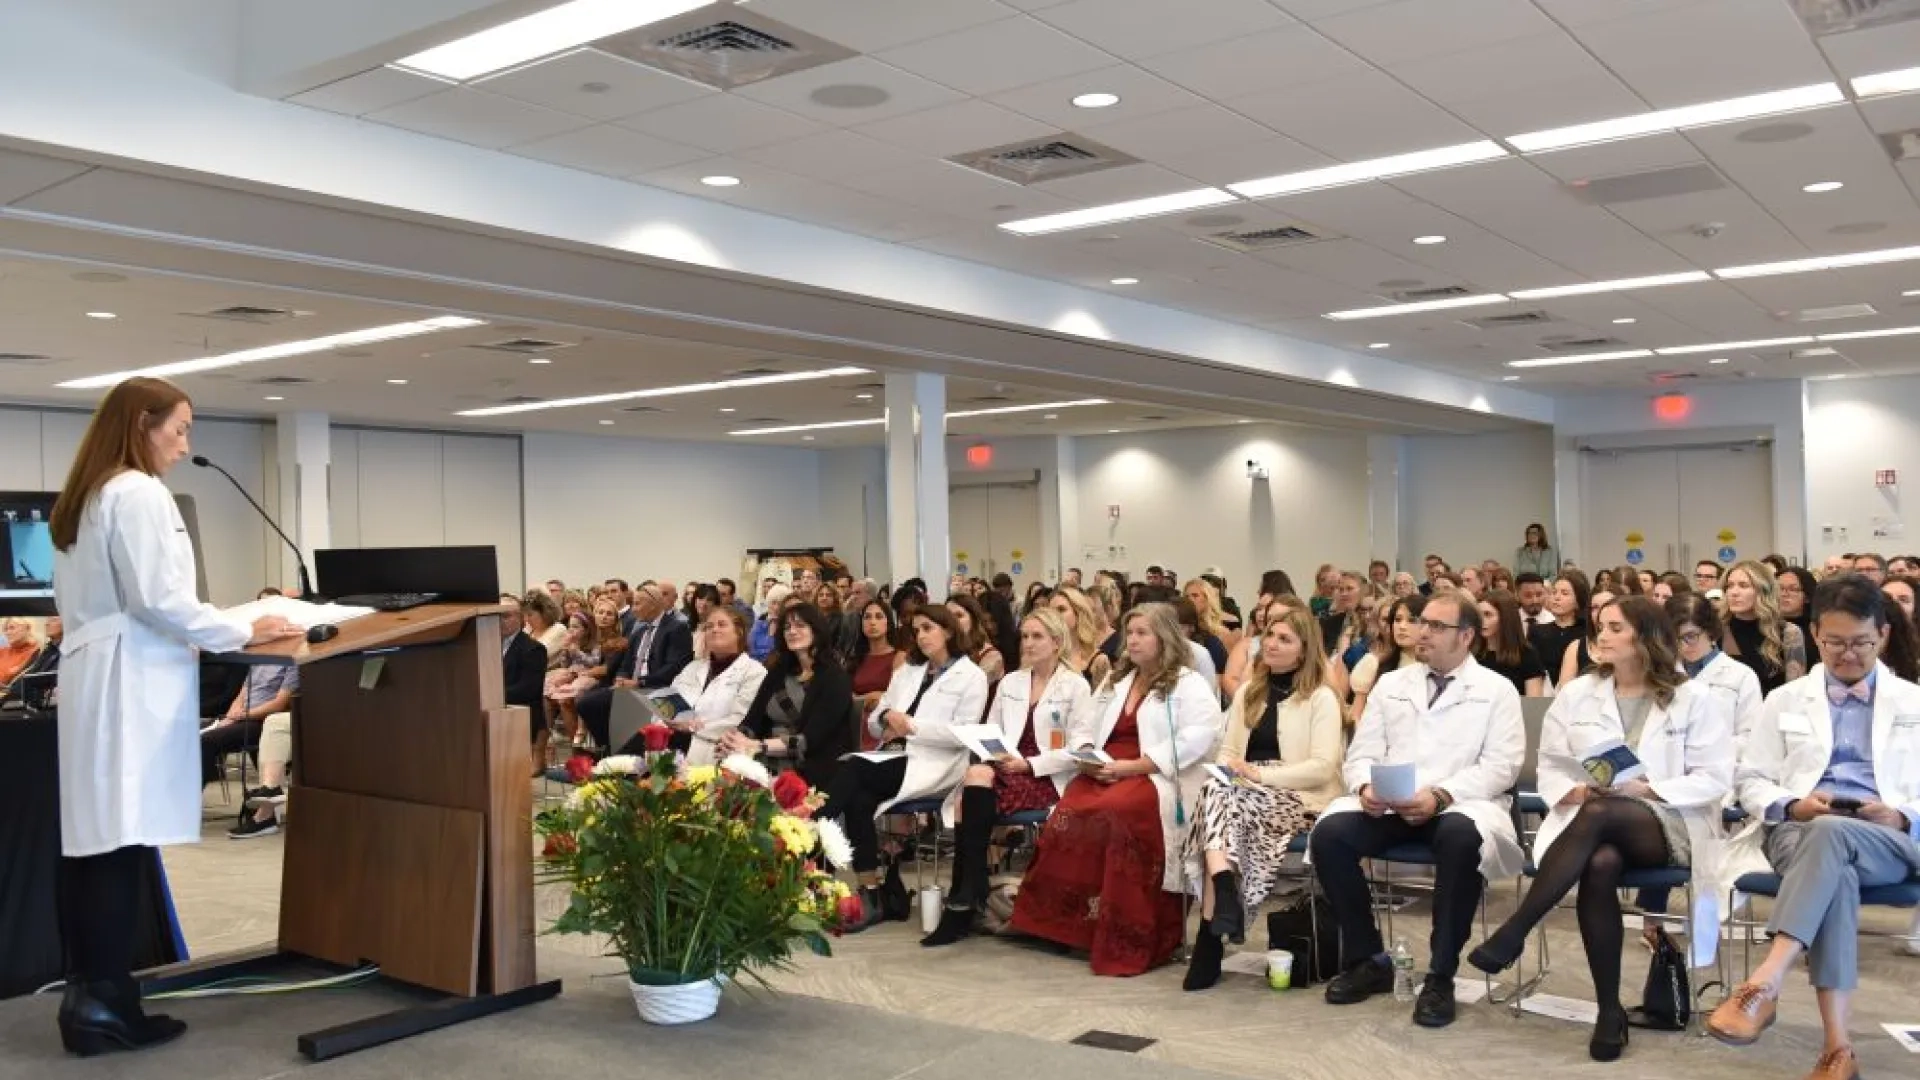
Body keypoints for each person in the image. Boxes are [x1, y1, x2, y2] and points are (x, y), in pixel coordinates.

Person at [49, 377, 302, 1056]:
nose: (186, 443)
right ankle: (104, 1002)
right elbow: (161, 598)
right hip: (129, 677)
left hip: (97, 676)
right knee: (120, 845)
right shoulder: (134, 491)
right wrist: (239, 630)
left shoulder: (87, 496)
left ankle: (94, 996)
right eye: (180, 427)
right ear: (141, 423)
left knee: (96, 844)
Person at [1469, 597, 1733, 1061]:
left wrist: (1649, 790)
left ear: (1645, 637)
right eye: (1600, 627)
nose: (1602, 637)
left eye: (1615, 628)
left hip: (1671, 822)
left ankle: (1518, 927)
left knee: (1603, 814)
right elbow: (1551, 763)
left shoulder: (1695, 697)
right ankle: (1610, 1011)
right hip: (1591, 823)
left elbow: (1714, 777)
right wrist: (1569, 790)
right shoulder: (1578, 693)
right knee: (1600, 862)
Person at [1708, 576, 1920, 1080]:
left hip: (1890, 837)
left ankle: (1765, 980)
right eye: (1834, 643)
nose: (1848, 655)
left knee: (1834, 840)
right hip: (1799, 830)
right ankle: (1837, 1049)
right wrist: (1792, 804)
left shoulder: (1915, 701)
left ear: (1884, 635)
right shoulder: (1785, 699)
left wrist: (1902, 815)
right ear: (1816, 634)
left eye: (1861, 643)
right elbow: (1752, 779)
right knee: (1832, 860)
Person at [1310, 594, 1524, 1029]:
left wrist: (1442, 795)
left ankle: (1440, 976)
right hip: (1391, 806)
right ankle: (1368, 958)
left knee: (1461, 840)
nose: (1422, 632)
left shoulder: (1496, 690)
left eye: (1436, 626)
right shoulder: (1393, 684)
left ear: (1466, 636)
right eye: (1421, 623)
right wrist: (1366, 786)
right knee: (1330, 834)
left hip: (1458, 806)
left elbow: (1503, 765)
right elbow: (1362, 751)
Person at [1010, 604, 1222, 976]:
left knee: (1120, 813)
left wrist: (1135, 766)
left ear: (1165, 638)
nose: (1133, 640)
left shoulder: (1188, 684)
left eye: (1143, 633)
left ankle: (1125, 936)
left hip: (1155, 774)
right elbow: (1085, 728)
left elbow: (1198, 737)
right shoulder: (1116, 681)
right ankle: (1064, 927)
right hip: (1107, 767)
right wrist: (1089, 757)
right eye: (1131, 632)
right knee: (1069, 812)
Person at [1182, 607, 1345, 991]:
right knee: (1214, 790)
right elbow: (1227, 752)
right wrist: (1230, 772)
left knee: (1213, 806)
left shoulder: (1322, 697)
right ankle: (1222, 889)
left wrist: (1261, 776)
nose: (1271, 643)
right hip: (1241, 792)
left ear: (1305, 650)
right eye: (1269, 635)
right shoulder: (1248, 691)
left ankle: (1212, 928)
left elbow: (1323, 767)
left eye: (1284, 639)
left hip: (1299, 797)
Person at [921, 609, 1090, 947]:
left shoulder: (1075, 686)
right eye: (1024, 636)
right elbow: (992, 730)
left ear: (1057, 642)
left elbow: (1080, 748)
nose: (1027, 643)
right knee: (976, 773)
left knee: (968, 801)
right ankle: (969, 892)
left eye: (1037, 636)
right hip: (1004, 767)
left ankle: (962, 900)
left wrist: (1029, 765)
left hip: (1045, 774)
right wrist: (996, 755)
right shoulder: (1011, 682)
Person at [828, 605, 988, 931]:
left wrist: (911, 726)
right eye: (916, 630)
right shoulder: (910, 670)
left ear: (947, 630)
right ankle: (870, 892)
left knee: (854, 770)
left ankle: (806, 830)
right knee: (858, 797)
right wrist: (888, 718)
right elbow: (876, 718)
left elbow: (963, 733)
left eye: (928, 628)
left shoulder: (972, 676)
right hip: (893, 756)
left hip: (936, 764)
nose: (921, 636)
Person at [723, 602, 851, 788]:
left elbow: (810, 740)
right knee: (726, 767)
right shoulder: (778, 671)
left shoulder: (835, 677)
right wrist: (736, 740)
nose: (792, 631)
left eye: (800, 625)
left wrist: (758, 746)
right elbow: (754, 719)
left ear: (817, 630)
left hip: (812, 763)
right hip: (768, 754)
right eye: (787, 627)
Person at [578, 582, 692, 750]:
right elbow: (626, 663)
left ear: (653, 605)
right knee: (587, 703)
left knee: (625, 705)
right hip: (632, 686)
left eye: (638, 603)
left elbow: (673, 667)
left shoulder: (676, 628)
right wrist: (621, 678)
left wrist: (641, 682)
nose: (633, 609)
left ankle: (623, 752)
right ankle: (609, 749)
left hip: (658, 688)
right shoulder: (639, 631)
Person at [655, 605, 767, 764]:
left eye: (722, 624)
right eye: (709, 626)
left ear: (739, 632)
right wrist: (668, 719)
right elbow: (666, 701)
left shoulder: (754, 672)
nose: (714, 630)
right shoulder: (693, 667)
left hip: (715, 753)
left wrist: (692, 727)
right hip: (672, 745)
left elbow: (739, 719)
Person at [1669, 593, 1764, 745]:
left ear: (1711, 632)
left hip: (1723, 764)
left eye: (1691, 636)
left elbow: (1750, 736)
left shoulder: (1741, 676)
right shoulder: (1663, 674)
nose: (1683, 646)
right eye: (1675, 638)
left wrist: (1708, 750)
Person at [199, 654, 300, 793]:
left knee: (206, 741)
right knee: (187, 735)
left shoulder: (292, 664)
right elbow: (241, 695)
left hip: (262, 720)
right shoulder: (259, 662)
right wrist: (231, 716)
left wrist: (243, 715)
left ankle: (188, 801)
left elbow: (279, 704)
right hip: (240, 717)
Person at [1721, 560, 1807, 696]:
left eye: (1743, 586)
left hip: (1773, 712)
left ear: (1763, 590)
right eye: (1730, 586)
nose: (1734, 592)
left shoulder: (1788, 632)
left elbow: (1796, 691)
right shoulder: (1717, 630)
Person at [1347, 595, 1422, 722]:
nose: (1402, 626)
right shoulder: (1373, 664)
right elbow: (1357, 716)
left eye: (1412, 620)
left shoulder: (1438, 667)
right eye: (1397, 620)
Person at [498, 595, 549, 775]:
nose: (500, 621)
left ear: (521, 618)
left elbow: (528, 689)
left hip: (520, 712)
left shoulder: (533, 649)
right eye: (496, 616)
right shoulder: (487, 645)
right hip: (496, 708)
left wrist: (490, 695)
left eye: (506, 616)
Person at [846, 599, 906, 751]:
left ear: (888, 623)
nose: (872, 622)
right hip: (855, 726)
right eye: (867, 617)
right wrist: (871, 697)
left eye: (879, 617)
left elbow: (892, 699)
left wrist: (859, 699)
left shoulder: (899, 657)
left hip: (885, 727)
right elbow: (845, 697)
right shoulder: (855, 658)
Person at [1474, 590, 1547, 696]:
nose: (1480, 621)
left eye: (1487, 615)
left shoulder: (1527, 655)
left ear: (1506, 618)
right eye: (1478, 615)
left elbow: (1534, 704)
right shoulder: (1471, 653)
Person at [1530, 568, 1591, 685]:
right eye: (1554, 592)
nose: (1556, 597)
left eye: (1564, 593)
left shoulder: (1587, 633)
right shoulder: (1536, 631)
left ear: (1579, 600)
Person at [1046, 585, 1113, 689]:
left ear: (1078, 614)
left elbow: (1104, 701)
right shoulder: (1045, 656)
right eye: (1051, 611)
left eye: (1061, 609)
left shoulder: (1098, 661)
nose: (1055, 615)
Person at [946, 593, 1005, 685]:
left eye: (959, 615)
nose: (952, 621)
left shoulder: (991, 655)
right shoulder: (942, 648)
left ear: (973, 619)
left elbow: (967, 688)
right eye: (948, 616)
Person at [1184, 576, 1237, 654]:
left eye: (1195, 595)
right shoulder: (1180, 630)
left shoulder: (1223, 634)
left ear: (1207, 599)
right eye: (1186, 596)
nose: (1190, 600)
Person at [748, 584, 790, 662]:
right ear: (768, 603)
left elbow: (775, 654)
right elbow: (750, 649)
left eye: (781, 604)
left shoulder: (788, 626)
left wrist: (771, 634)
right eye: (773, 603)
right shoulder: (760, 622)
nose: (777, 607)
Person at [1778, 566, 1816, 643]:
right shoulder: (1765, 627)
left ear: (1807, 597)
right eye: (1779, 588)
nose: (1784, 594)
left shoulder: (1816, 629)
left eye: (1792, 589)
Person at [0, 616, 40, 688]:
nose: (7, 633)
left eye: (12, 628)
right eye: (6, 629)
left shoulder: (36, 652)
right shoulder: (2, 651)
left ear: (27, 628)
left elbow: (9, 680)